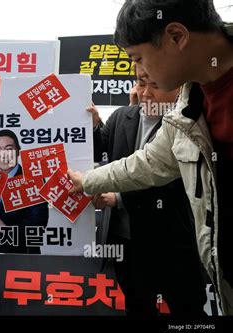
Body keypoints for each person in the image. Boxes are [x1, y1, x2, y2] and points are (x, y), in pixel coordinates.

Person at [68, 0, 233, 315]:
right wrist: (87, 180)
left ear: (176, 37)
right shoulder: (189, 108)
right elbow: (149, 163)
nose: (139, 77)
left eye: (139, 59)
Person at [89, 67, 205, 315]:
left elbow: (173, 183)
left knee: (188, 309)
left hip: (172, 241)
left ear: (179, 89)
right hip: (127, 242)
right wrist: (93, 126)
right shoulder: (123, 116)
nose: (146, 93)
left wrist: (119, 198)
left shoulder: (186, 125)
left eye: (156, 86)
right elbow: (101, 150)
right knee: (138, 305)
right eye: (141, 83)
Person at [0, 129, 48, 254]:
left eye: (8, 149)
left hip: (19, 255)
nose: (3, 154)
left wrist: (6, 230)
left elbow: (39, 222)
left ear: (18, 151)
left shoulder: (33, 179)